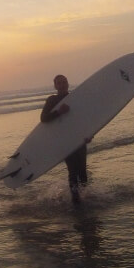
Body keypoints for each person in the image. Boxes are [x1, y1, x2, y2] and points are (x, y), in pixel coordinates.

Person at [40, 74, 88, 203]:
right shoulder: (52, 100)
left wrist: (89, 134)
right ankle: (75, 200)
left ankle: (86, 196)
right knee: (73, 170)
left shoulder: (74, 98)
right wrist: (58, 112)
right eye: (59, 83)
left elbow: (84, 118)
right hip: (64, 140)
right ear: (55, 86)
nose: (62, 84)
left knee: (82, 170)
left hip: (78, 138)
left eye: (64, 82)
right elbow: (43, 119)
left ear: (67, 83)